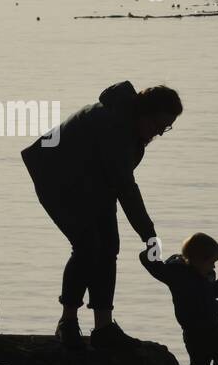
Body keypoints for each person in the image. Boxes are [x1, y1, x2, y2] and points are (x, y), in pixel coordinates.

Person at [22, 81, 182, 349]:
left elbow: (118, 182)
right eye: (158, 125)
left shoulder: (131, 129)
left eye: (166, 128)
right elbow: (125, 188)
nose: (159, 133)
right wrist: (149, 234)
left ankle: (103, 326)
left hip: (94, 181)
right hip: (56, 179)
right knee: (87, 246)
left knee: (109, 247)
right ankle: (68, 322)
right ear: (145, 113)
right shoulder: (114, 126)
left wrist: (148, 234)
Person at [139, 233, 218, 365]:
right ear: (198, 260)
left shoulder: (206, 276)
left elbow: (214, 290)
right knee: (199, 362)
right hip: (193, 332)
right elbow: (155, 267)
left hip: (214, 328)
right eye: (212, 262)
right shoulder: (177, 275)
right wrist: (151, 247)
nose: (214, 267)